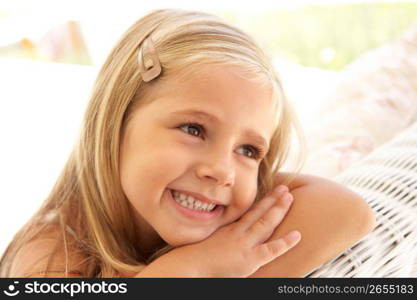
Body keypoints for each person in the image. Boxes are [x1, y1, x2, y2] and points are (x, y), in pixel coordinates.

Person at [0, 9, 375, 278]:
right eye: (194, 130)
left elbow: (350, 212)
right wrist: (190, 270)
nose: (221, 171)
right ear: (115, 123)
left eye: (248, 151)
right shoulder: (51, 258)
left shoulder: (223, 210)